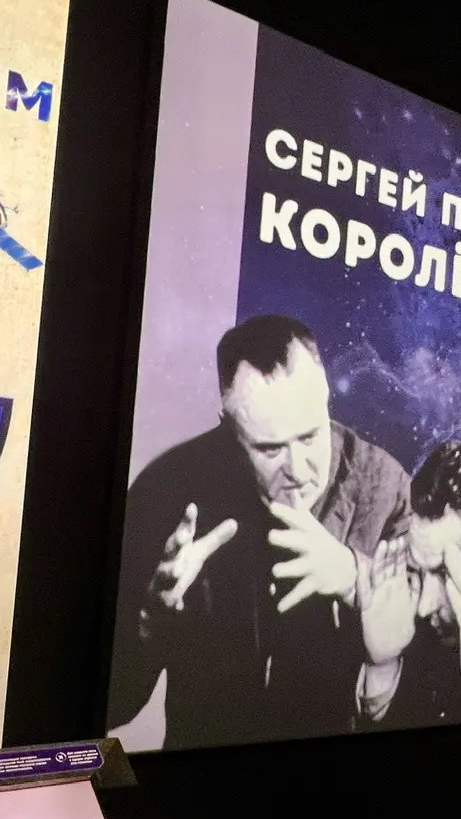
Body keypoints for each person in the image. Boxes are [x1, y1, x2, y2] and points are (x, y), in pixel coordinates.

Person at [108, 314, 409, 748]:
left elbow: (430, 707)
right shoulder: (165, 491)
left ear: (326, 399)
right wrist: (149, 618)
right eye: (270, 449)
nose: (299, 470)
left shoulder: (389, 490)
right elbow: (113, 707)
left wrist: (353, 580)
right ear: (229, 427)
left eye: (310, 436)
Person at [356, 441, 461, 729]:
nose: (424, 608)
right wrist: (382, 665)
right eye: (416, 570)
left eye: (443, 574)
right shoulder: (410, 635)